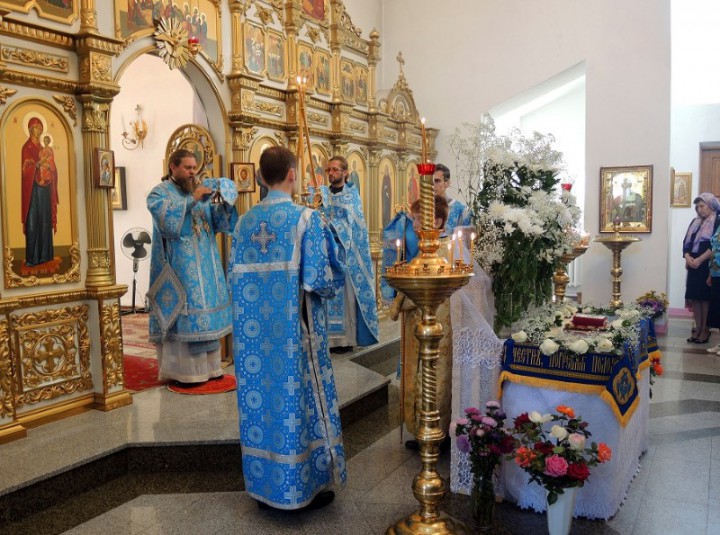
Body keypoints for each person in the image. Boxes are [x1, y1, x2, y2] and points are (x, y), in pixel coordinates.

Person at [229, 146, 346, 511]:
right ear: (292, 175)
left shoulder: (243, 223)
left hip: (253, 340)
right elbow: (320, 281)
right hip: (296, 335)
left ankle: (266, 487)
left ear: (261, 177)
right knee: (300, 404)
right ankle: (302, 486)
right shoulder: (305, 219)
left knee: (262, 405)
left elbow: (233, 276)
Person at [146, 149, 238, 385]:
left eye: (194, 168)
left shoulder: (196, 190)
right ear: (173, 167)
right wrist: (193, 199)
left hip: (206, 265)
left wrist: (225, 204)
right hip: (181, 269)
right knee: (187, 314)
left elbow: (216, 223)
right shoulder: (159, 193)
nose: (192, 172)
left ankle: (211, 368)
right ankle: (186, 372)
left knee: (207, 314)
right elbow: (167, 225)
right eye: (187, 168)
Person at [322, 156, 379, 353]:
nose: (331, 173)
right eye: (329, 170)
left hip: (344, 256)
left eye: (335, 169)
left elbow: (353, 226)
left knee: (345, 299)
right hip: (325, 256)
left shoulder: (352, 197)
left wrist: (329, 224)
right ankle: (327, 340)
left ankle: (344, 341)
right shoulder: (322, 195)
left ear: (345, 173)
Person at [682, 192, 720, 344]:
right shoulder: (695, 221)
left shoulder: (717, 220)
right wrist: (687, 256)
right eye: (697, 207)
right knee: (695, 298)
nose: (699, 209)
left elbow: (715, 245)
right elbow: (686, 242)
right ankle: (697, 329)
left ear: (711, 205)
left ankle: (705, 330)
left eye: (702, 206)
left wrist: (699, 259)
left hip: (708, 265)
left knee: (705, 299)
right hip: (693, 264)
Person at [22, 117, 59, 267]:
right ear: (30, 129)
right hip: (32, 189)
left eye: (40, 128)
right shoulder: (27, 148)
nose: (38, 131)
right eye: (36, 128)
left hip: (45, 188)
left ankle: (45, 256)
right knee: (33, 221)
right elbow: (25, 170)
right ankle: (33, 258)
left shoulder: (44, 149)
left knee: (45, 219)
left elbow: (52, 166)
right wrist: (36, 165)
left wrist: (51, 169)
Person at [433, 163, 471, 235]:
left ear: (447, 183)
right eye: (429, 181)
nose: (432, 185)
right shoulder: (422, 209)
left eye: (437, 181)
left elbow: (466, 238)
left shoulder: (461, 210)